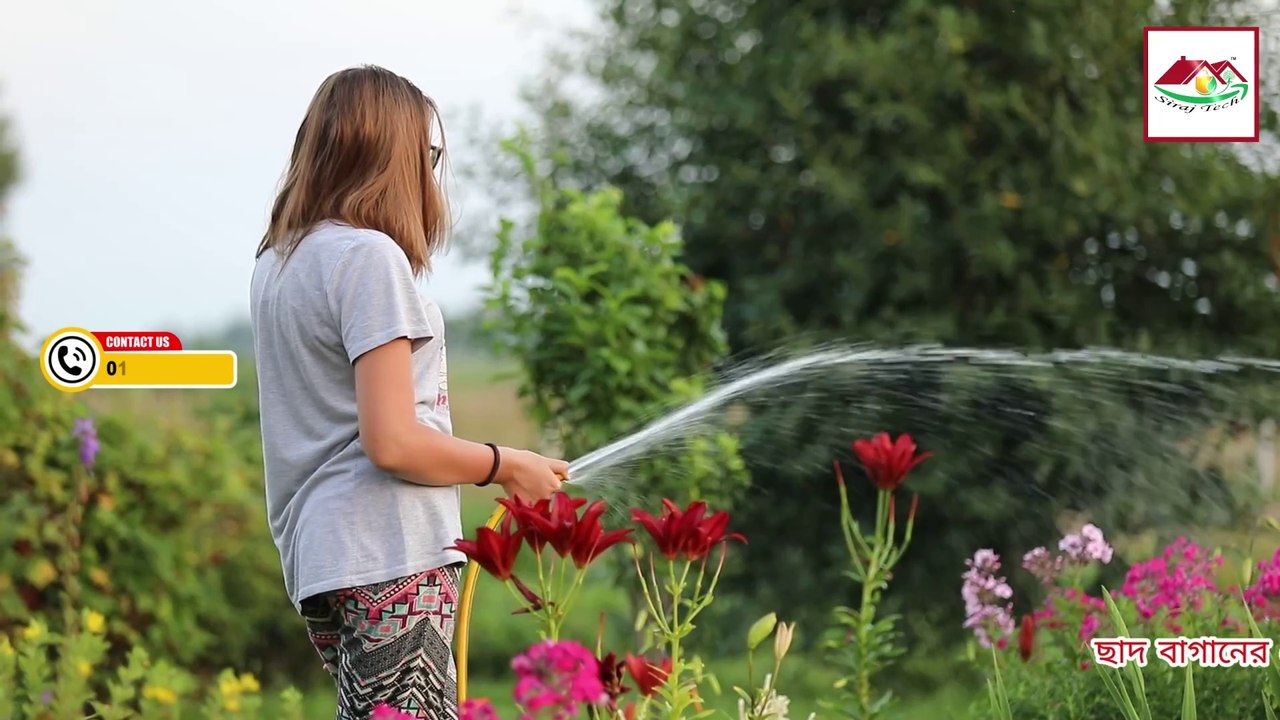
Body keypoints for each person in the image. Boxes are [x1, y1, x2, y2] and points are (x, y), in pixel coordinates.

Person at [249, 65, 567, 720]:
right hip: (390, 550)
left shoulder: (280, 261)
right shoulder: (368, 258)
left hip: (325, 557)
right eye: (427, 155)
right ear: (391, 156)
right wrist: (509, 465)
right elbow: (392, 440)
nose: (430, 173)